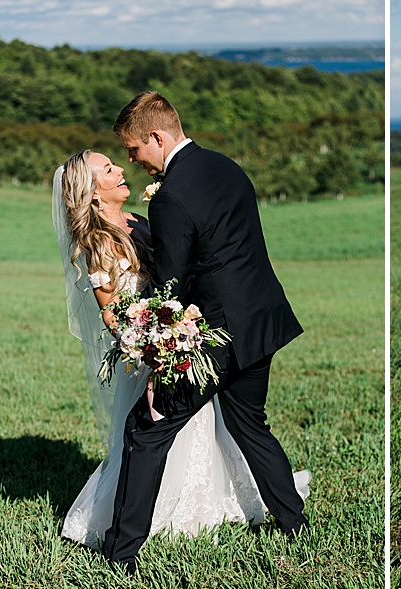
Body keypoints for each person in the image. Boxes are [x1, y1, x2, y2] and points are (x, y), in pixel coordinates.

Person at [52, 151, 310, 552]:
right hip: (160, 349)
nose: (121, 169)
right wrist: (151, 349)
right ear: (92, 193)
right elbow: (111, 313)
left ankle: (128, 547)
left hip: (193, 339)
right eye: (109, 169)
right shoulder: (99, 244)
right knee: (162, 430)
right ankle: (131, 539)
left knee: (180, 430)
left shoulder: (141, 221)